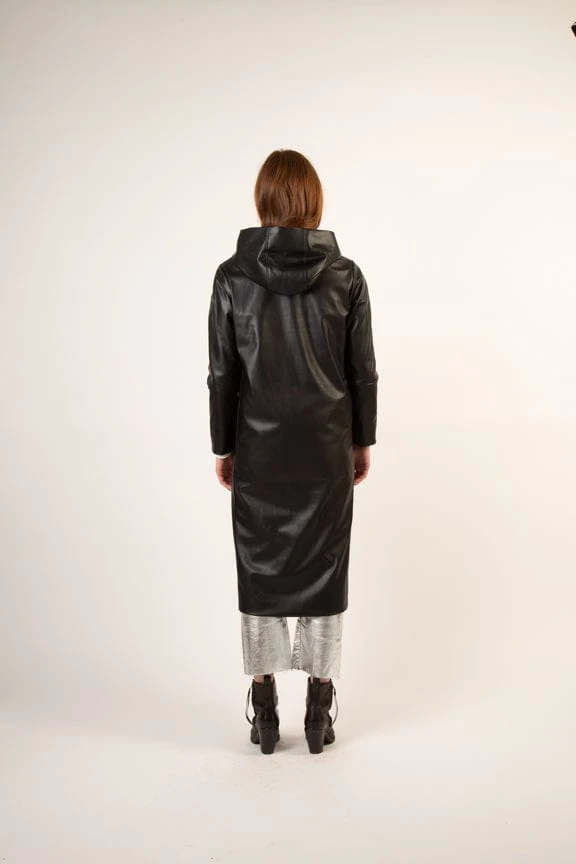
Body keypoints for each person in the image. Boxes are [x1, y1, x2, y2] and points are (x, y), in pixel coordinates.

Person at [207, 149, 378, 754]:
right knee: (326, 572)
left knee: (259, 572)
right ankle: (319, 708)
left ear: (262, 202)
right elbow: (363, 372)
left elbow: (223, 375)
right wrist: (361, 441)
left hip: (259, 451)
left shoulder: (231, 277)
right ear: (313, 201)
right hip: (326, 452)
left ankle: (263, 708)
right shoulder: (347, 276)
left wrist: (224, 447)